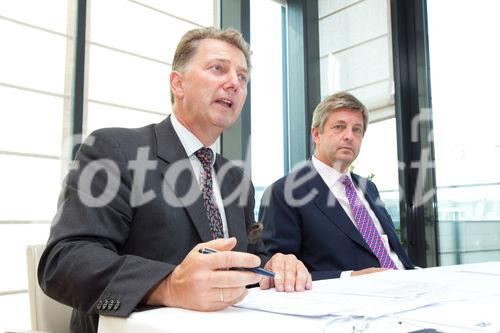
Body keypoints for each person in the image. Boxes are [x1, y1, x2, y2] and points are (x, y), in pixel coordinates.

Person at [38, 27, 311, 333]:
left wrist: (271, 267)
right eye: (218, 68)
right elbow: (64, 262)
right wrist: (168, 285)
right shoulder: (115, 150)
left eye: (243, 77)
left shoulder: (237, 180)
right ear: (177, 84)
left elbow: (245, 258)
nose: (234, 83)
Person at [260, 92, 414, 281]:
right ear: (316, 134)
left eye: (357, 130)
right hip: (354, 298)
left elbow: (393, 251)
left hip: (408, 283)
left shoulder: (369, 188)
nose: (349, 136)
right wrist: (350, 277)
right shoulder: (284, 192)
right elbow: (279, 272)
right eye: (339, 127)